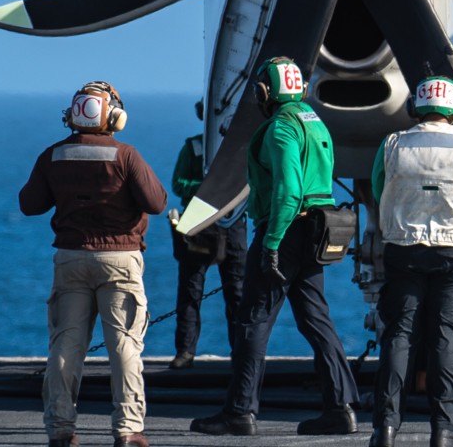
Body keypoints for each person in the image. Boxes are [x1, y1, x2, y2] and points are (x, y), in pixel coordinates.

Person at [191, 58, 359, 437]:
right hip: (317, 232)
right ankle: (341, 407)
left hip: (285, 231)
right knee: (317, 320)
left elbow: (288, 191)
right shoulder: (315, 122)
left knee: (253, 321)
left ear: (266, 91)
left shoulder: (281, 127)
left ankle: (239, 412)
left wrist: (270, 244)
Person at [20, 81, 166, 447]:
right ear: (114, 117)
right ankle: (129, 430)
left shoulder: (53, 155)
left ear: (73, 115)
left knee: (65, 347)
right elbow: (156, 202)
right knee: (124, 348)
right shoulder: (127, 155)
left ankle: (61, 429)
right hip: (120, 260)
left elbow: (29, 204)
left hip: (71, 260)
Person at [368, 76, 453, 447]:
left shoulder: (393, 143)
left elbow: (381, 189)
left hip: (404, 249)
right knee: (449, 339)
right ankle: (445, 430)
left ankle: (385, 428)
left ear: (416, 107)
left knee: (399, 336)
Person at [168, 133, 247, 369]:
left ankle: (241, 352)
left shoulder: (240, 148)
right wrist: (211, 188)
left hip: (232, 223)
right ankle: (185, 351)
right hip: (199, 224)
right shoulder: (193, 146)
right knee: (190, 291)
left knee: (238, 293)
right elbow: (178, 183)